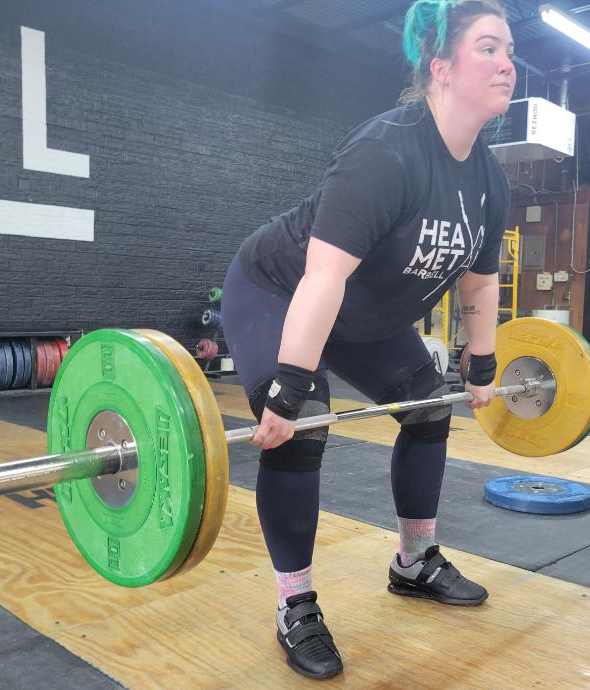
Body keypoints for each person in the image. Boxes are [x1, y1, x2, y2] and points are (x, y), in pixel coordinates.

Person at [221, 0, 515, 679]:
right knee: (305, 425)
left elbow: (477, 283)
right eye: (489, 48)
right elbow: (320, 278)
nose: (508, 63)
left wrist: (483, 360)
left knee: (427, 402)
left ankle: (414, 562)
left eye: (509, 49)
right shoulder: (388, 152)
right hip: (280, 290)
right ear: (440, 67)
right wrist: (291, 387)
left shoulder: (490, 180)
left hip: (363, 317)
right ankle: (295, 603)